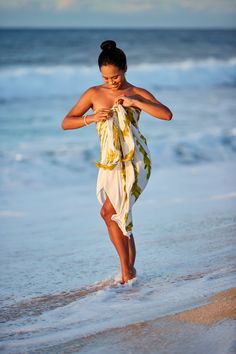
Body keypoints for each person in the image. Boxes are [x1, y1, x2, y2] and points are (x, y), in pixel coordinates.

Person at [61, 40, 172, 284]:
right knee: (119, 214)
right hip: (110, 162)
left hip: (135, 161)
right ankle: (130, 273)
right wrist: (91, 118)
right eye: (106, 78)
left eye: (116, 77)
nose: (111, 82)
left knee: (108, 211)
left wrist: (135, 103)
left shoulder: (137, 92)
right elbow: (67, 122)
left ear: (125, 69)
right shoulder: (93, 93)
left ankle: (126, 272)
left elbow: (166, 114)